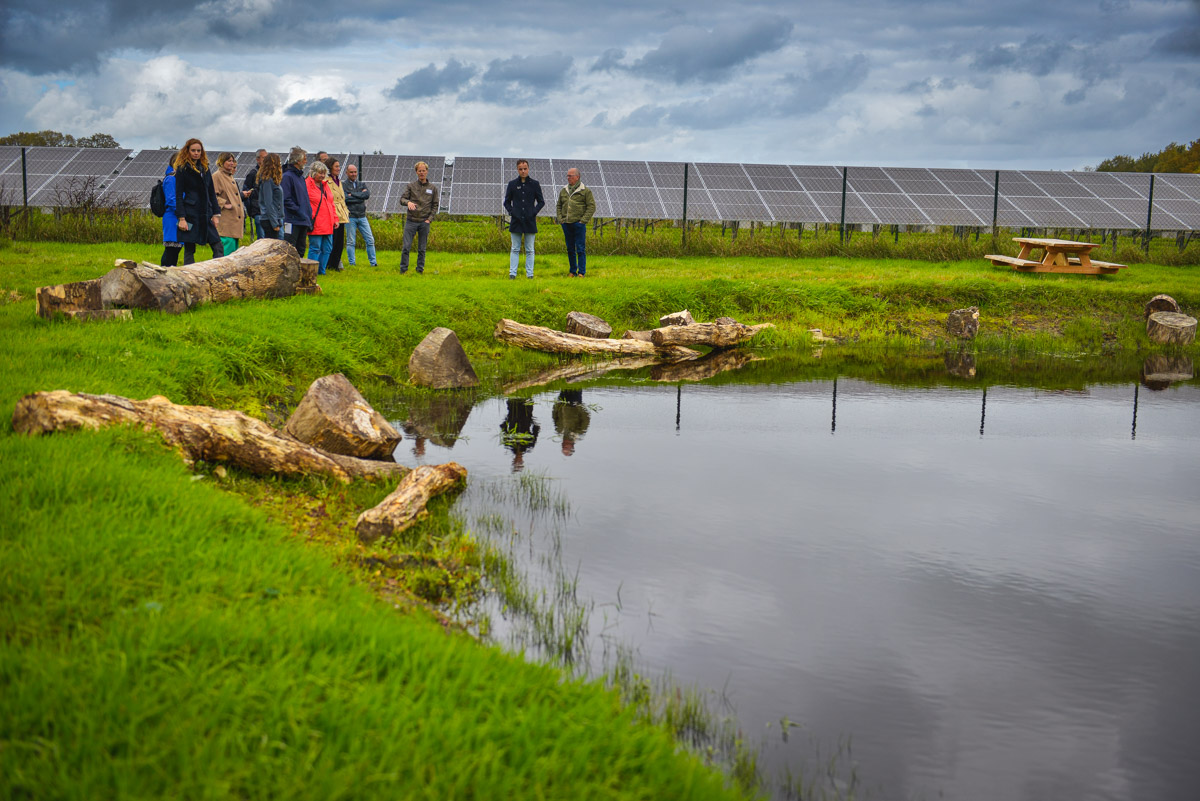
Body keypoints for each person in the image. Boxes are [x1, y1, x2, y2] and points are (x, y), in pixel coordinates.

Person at [172, 138, 223, 264]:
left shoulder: (205, 168)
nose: (196, 153)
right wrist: (182, 218)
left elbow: (211, 192)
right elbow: (178, 195)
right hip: (190, 214)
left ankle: (217, 271)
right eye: (193, 150)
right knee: (189, 249)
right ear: (187, 151)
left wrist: (216, 214)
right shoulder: (182, 169)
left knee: (218, 245)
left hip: (206, 213)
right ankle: (188, 275)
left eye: (198, 150)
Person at [503, 158, 545, 279]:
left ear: (528, 169)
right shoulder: (512, 184)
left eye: (525, 169)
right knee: (515, 248)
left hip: (529, 221)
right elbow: (506, 202)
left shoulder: (534, 184)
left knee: (530, 249)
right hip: (516, 221)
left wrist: (533, 212)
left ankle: (530, 274)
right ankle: (512, 274)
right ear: (517, 169)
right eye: (520, 169)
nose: (523, 171)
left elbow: (541, 202)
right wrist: (512, 212)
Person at [399, 161, 439, 275]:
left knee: (422, 249)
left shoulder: (433, 188)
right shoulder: (410, 186)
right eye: (419, 171)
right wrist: (408, 203)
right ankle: (403, 270)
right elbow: (402, 199)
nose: (422, 173)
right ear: (416, 172)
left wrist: (429, 219)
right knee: (406, 247)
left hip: (424, 222)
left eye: (423, 170)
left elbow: (435, 205)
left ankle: (420, 270)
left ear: (427, 171)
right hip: (411, 221)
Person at [557, 167, 595, 277]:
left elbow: (591, 206)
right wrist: (561, 219)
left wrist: (583, 221)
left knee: (580, 249)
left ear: (577, 177)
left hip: (579, 224)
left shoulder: (585, 191)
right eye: (567, 176)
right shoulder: (564, 190)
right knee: (570, 249)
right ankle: (572, 271)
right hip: (566, 224)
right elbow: (559, 205)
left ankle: (581, 272)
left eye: (570, 176)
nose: (568, 178)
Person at [305, 160, 338, 274]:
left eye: (324, 173)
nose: (323, 175)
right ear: (313, 172)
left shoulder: (325, 186)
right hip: (316, 223)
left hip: (328, 222)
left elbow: (331, 203)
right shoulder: (307, 185)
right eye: (320, 173)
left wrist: (335, 218)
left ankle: (321, 271)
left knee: (327, 248)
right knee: (315, 248)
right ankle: (311, 271)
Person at [212, 152, 246, 255]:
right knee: (226, 253)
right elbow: (211, 196)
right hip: (226, 221)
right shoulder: (217, 176)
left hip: (234, 222)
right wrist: (224, 203)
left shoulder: (230, 176)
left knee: (234, 253)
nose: (231, 163)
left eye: (232, 161)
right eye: (229, 161)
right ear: (222, 162)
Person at [342, 163, 376, 267]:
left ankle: (373, 263)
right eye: (351, 172)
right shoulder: (343, 185)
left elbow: (366, 195)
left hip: (362, 216)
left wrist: (352, 194)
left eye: (355, 172)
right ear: (347, 173)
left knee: (370, 240)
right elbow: (345, 198)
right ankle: (352, 264)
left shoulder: (362, 184)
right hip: (350, 216)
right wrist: (359, 196)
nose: (353, 174)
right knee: (351, 242)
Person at [281, 146, 311, 255]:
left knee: (301, 249)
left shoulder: (300, 178)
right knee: (290, 249)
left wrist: (306, 213)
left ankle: (299, 271)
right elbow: (286, 199)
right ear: (298, 161)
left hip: (302, 219)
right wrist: (298, 210)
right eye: (304, 159)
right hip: (292, 220)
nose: (306, 161)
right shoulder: (287, 177)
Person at [324, 157, 349, 271]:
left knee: (340, 242)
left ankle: (335, 264)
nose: (339, 169)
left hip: (342, 214)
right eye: (336, 166)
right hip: (333, 214)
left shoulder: (339, 181)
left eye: (339, 166)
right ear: (330, 168)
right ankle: (329, 264)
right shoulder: (327, 181)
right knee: (332, 241)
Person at [552, 389, 590, 456]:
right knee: (572, 386)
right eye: (565, 447)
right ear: (571, 446)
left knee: (573, 386)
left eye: (563, 447)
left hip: (563, 402)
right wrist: (578, 406)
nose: (563, 445)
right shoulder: (580, 432)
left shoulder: (559, 431)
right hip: (574, 403)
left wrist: (557, 405)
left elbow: (554, 416)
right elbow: (586, 417)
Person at [256, 153, 284, 240]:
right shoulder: (267, 181)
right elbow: (268, 203)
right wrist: (274, 223)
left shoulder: (273, 180)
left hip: (275, 218)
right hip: (269, 220)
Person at [159, 164, 181, 266]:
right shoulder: (171, 179)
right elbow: (171, 200)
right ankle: (164, 272)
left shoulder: (177, 178)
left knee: (176, 248)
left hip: (178, 217)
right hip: (172, 218)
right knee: (171, 249)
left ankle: (170, 271)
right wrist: (182, 211)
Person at [243, 148, 267, 239]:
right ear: (258, 159)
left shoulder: (269, 174)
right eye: (264, 158)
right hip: (258, 211)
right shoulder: (253, 174)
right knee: (262, 239)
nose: (266, 160)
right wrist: (251, 211)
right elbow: (246, 193)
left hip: (268, 212)